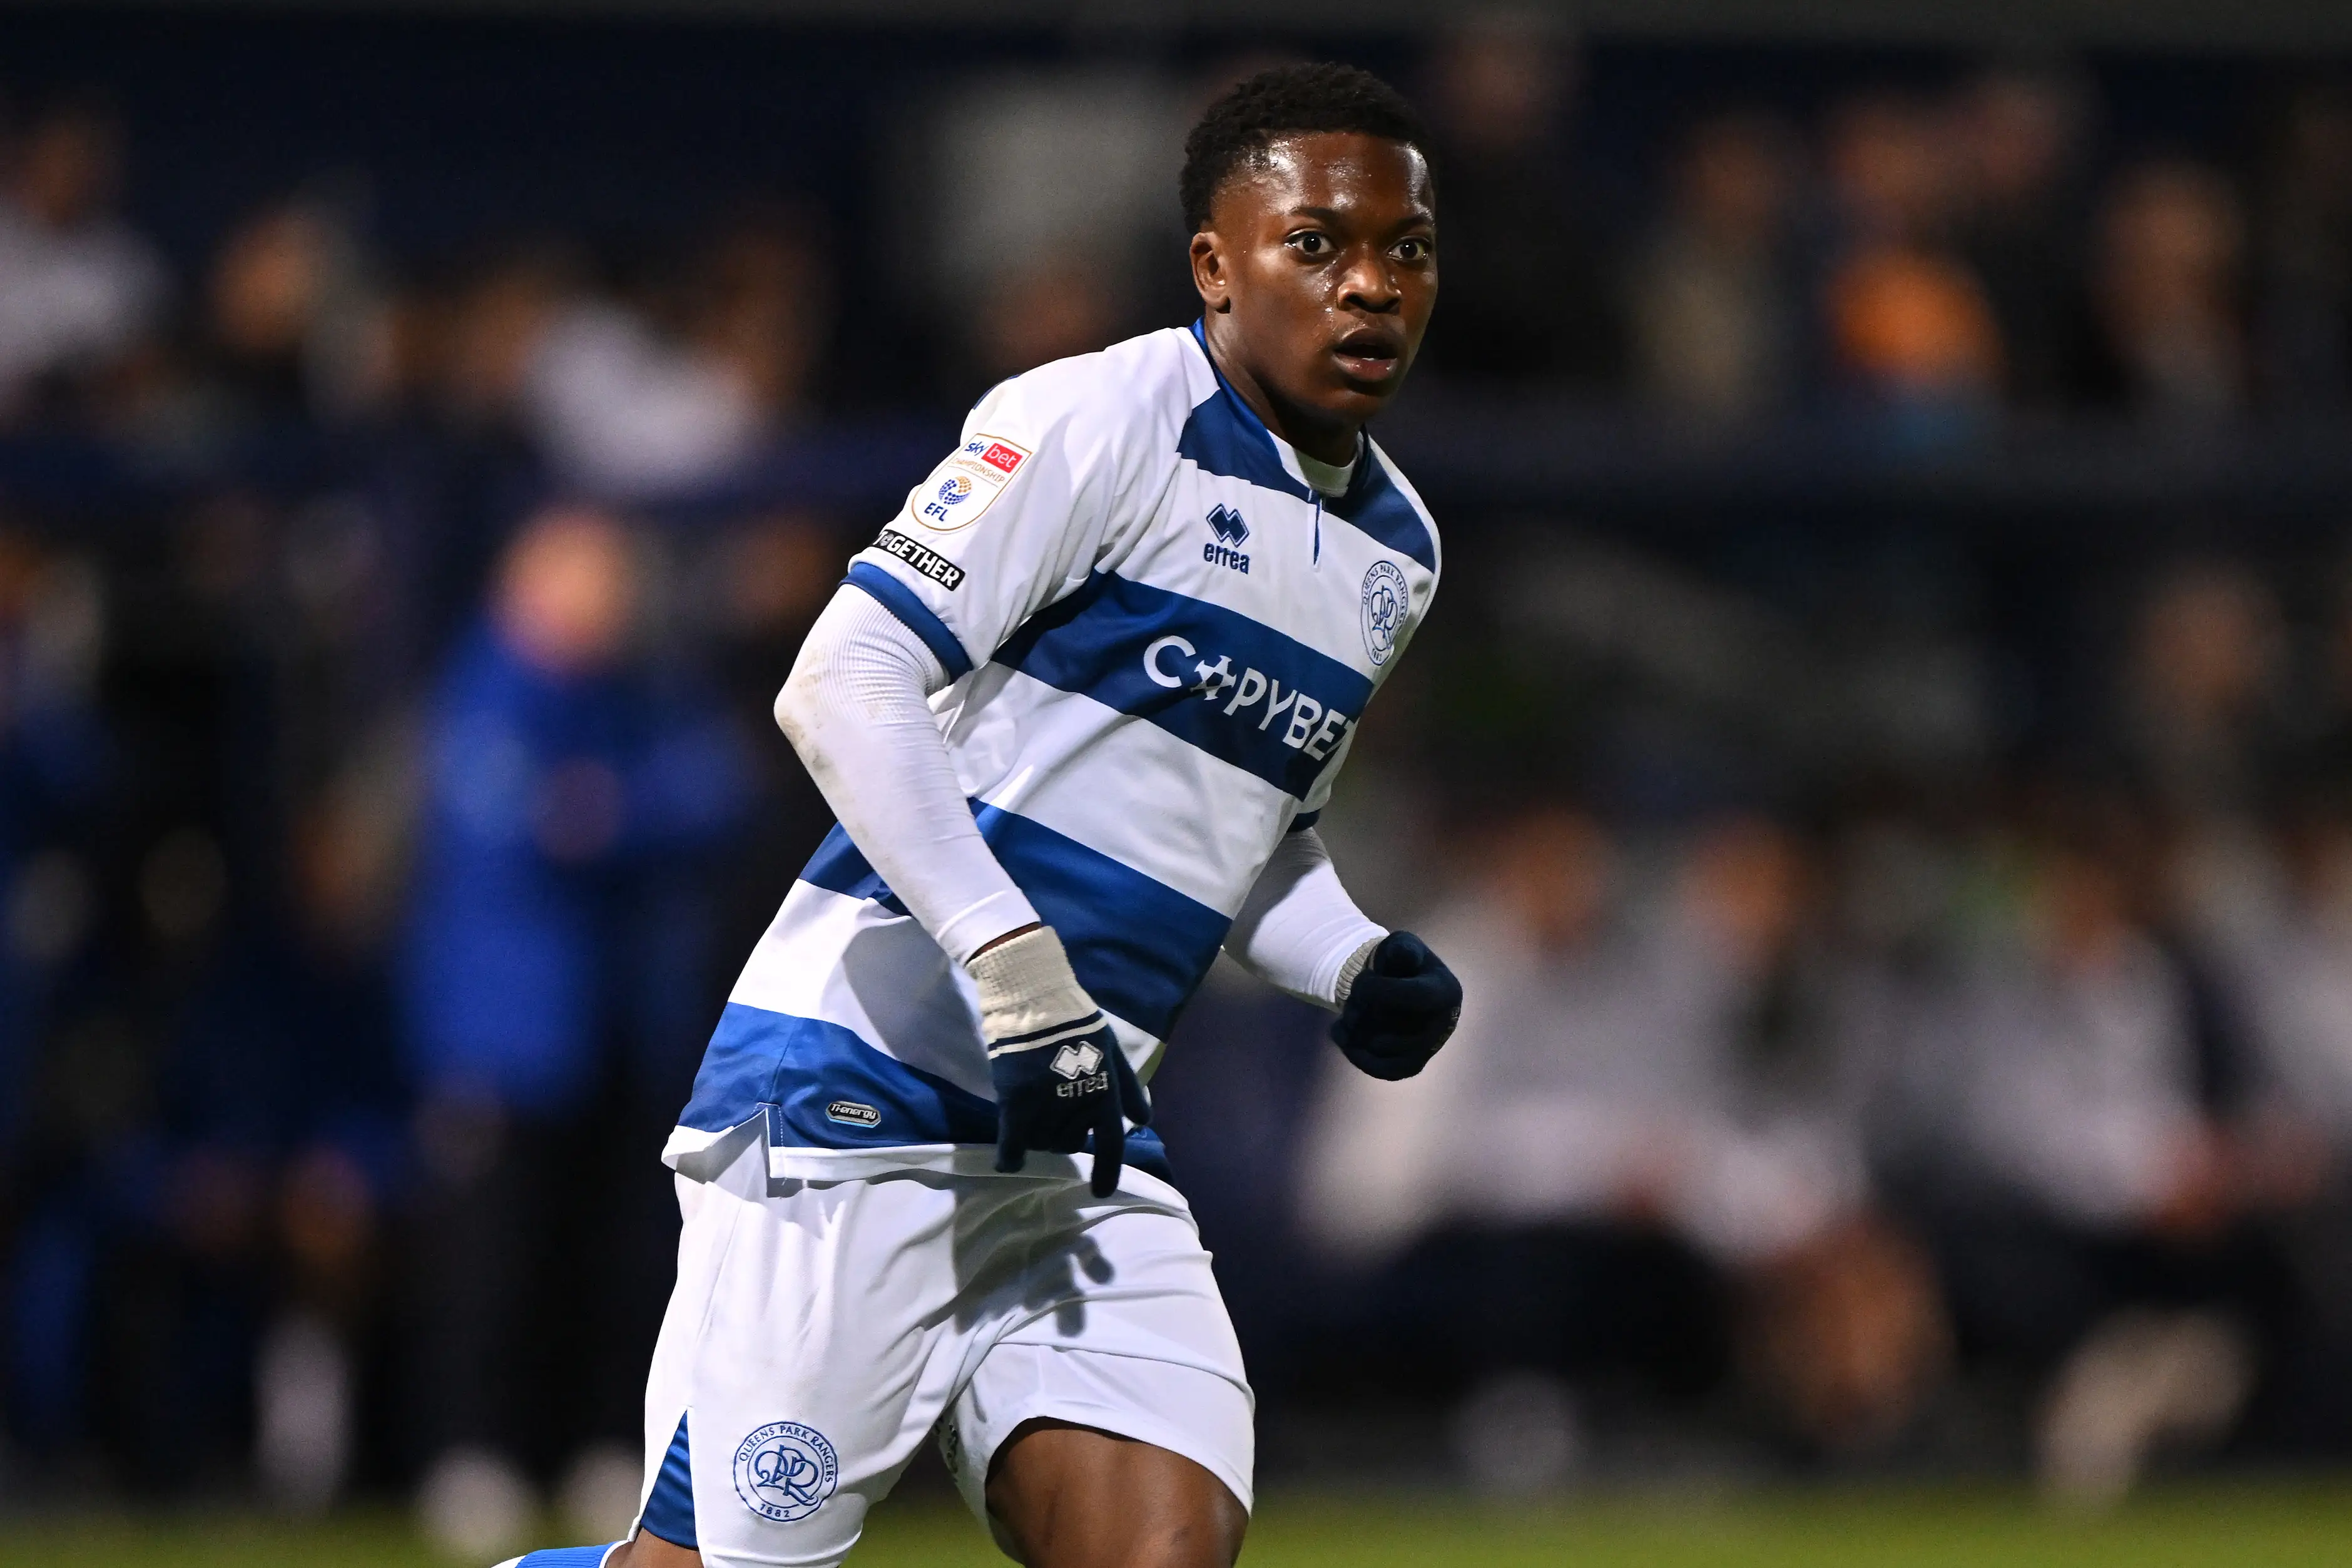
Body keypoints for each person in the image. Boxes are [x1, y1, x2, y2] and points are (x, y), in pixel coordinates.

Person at [499, 63, 1462, 1568]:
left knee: (1159, 1551)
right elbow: (843, 680)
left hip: (1075, 1154)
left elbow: (1246, 823)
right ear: (1216, 266)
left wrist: (1347, 955)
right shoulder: (1099, 417)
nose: (1370, 289)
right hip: (859, 1106)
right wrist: (1013, 968)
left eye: (1403, 249)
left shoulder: (1394, 545)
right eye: (1318, 245)